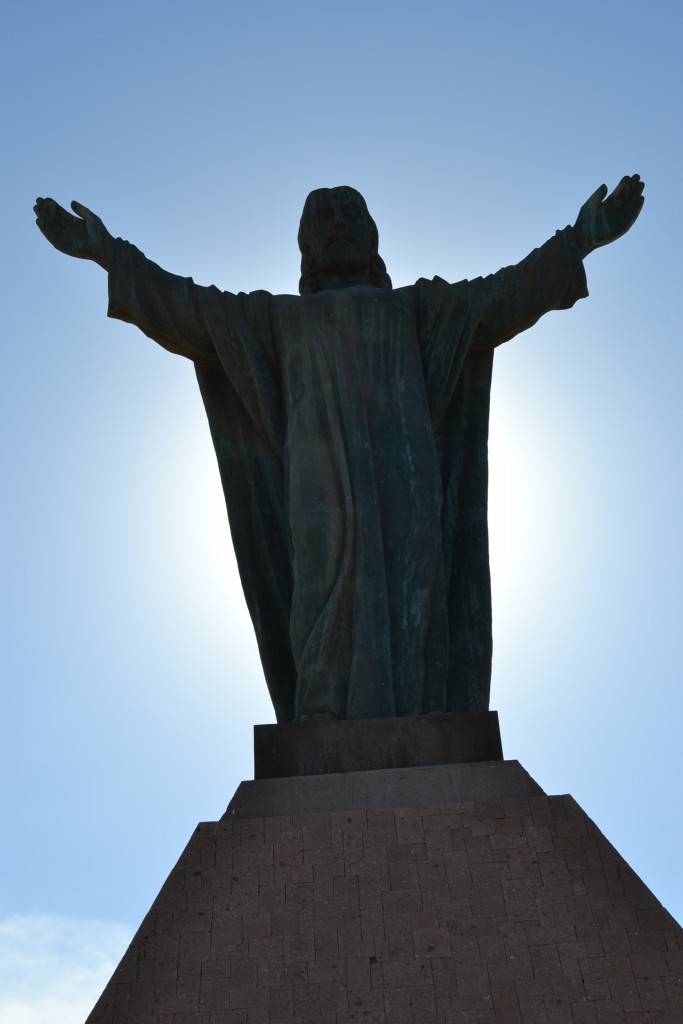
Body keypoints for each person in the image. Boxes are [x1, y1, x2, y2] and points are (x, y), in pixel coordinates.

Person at [34, 178, 644, 722]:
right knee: (322, 588)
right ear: (308, 249)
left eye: (351, 215)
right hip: (317, 482)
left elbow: (504, 295)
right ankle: (323, 718)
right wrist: (108, 254)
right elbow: (191, 308)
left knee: (416, 589)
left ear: (374, 237)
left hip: (407, 479)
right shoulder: (276, 319)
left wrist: (578, 242)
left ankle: (423, 716)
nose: (340, 226)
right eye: (324, 220)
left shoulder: (419, 308)